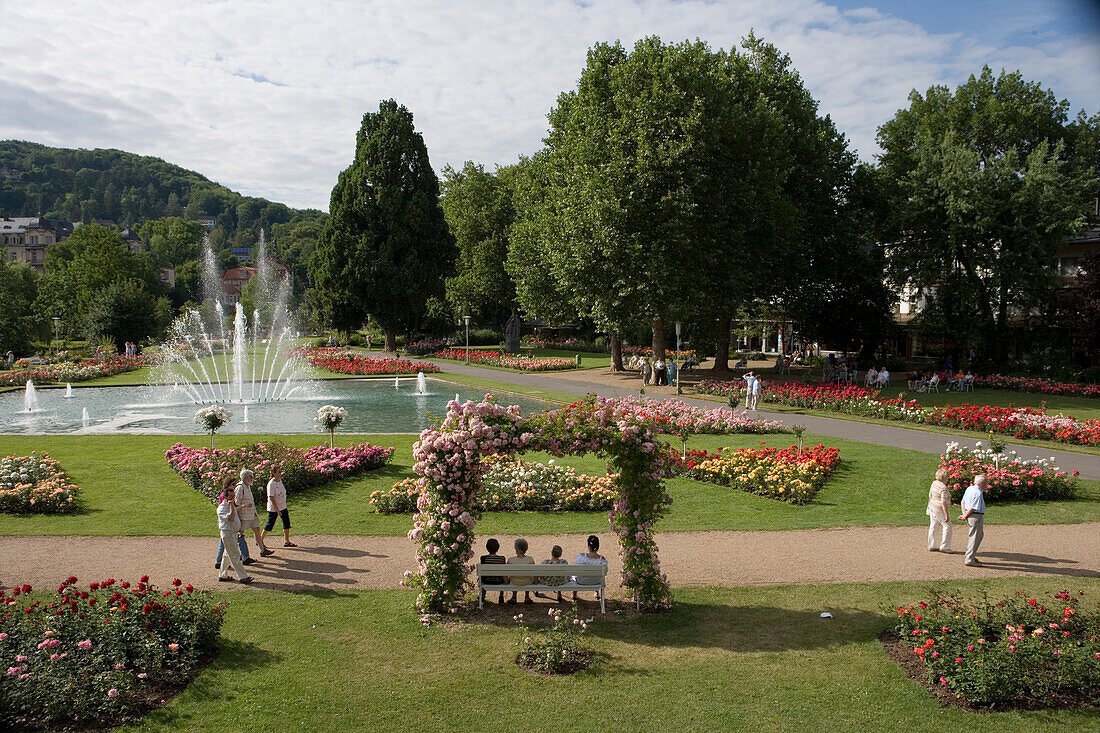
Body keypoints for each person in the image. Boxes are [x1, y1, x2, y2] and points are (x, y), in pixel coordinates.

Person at [216, 485, 253, 584]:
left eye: (233, 497)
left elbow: (236, 512)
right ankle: (243, 577)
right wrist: (231, 505)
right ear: (225, 497)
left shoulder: (230, 506)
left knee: (227, 555)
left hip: (233, 533)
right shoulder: (222, 508)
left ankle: (222, 575)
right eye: (230, 497)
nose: (232, 499)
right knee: (236, 556)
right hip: (227, 534)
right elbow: (231, 518)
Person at [235, 470, 274, 558]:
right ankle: (240, 553)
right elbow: (236, 502)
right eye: (250, 477)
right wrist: (238, 515)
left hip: (252, 513)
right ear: (245, 478)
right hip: (244, 515)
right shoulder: (240, 487)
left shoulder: (247, 486)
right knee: (240, 533)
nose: (252, 479)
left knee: (256, 530)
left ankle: (262, 550)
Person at [260, 465, 296, 549]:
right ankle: (260, 540)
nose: (280, 473)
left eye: (281, 471)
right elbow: (271, 497)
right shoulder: (271, 484)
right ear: (273, 473)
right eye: (278, 472)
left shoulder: (280, 481)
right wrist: (277, 510)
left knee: (286, 523)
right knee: (270, 524)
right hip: (274, 508)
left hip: (283, 506)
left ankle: (287, 541)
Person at [958, 474, 987, 567]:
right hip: (975, 516)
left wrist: (964, 514)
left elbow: (963, 502)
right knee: (975, 537)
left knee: (977, 536)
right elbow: (973, 507)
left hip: (970, 515)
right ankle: (969, 559)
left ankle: (971, 556)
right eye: (986, 482)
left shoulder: (969, 489)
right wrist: (965, 515)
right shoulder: (978, 493)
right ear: (982, 483)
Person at [572, 535, 608, 602]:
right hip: (596, 581)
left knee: (576, 574)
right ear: (598, 547)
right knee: (595, 574)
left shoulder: (580, 557)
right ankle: (597, 593)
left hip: (581, 581)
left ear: (589, 546)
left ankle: (574, 594)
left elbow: (575, 569)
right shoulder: (602, 560)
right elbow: (605, 572)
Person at [926, 468, 952, 553]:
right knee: (947, 526)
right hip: (939, 508)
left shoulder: (934, 483)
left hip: (932, 506)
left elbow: (930, 495)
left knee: (933, 525)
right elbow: (943, 503)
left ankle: (931, 545)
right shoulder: (943, 488)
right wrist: (946, 515)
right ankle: (945, 546)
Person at [507, 537, 536, 604]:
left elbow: (506, 573)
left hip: (514, 582)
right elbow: (534, 572)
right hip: (527, 581)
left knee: (514, 577)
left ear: (516, 549)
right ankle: (527, 596)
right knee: (528, 577)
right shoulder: (530, 559)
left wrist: (507, 580)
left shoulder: (511, 560)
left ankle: (514, 597)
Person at [480, 537, 507, 605]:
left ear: (487, 548)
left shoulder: (483, 558)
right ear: (498, 548)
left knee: (483, 575)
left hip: (486, 580)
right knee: (502, 575)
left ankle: (483, 595)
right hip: (499, 581)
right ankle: (501, 595)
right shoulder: (502, 559)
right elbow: (503, 572)